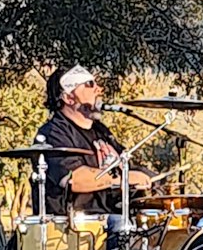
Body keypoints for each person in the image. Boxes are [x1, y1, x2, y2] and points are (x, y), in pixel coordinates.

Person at [35, 66, 150, 216]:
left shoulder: (101, 131)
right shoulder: (54, 133)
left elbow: (127, 165)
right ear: (69, 98)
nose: (99, 89)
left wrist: (153, 181)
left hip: (114, 216)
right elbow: (74, 179)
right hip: (76, 224)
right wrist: (123, 178)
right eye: (89, 84)